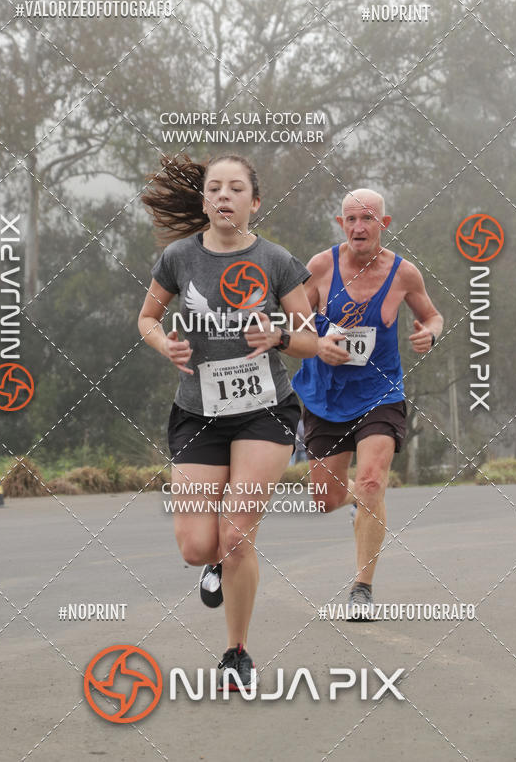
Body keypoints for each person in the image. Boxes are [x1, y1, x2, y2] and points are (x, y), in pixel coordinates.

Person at [138, 153, 317, 688]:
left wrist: (280, 338)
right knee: (198, 547)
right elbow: (147, 317)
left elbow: (312, 341)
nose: (223, 196)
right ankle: (216, 564)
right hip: (198, 413)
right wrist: (163, 343)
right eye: (214, 188)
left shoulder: (277, 260)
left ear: (253, 202)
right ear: (204, 201)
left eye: (236, 188)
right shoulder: (177, 258)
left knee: (237, 537)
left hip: (264, 411)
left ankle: (237, 651)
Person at [292, 188, 443, 619]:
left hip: (380, 393)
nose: (359, 227)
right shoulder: (320, 267)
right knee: (324, 498)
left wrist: (429, 333)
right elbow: (292, 323)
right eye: (351, 220)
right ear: (341, 225)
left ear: (385, 223)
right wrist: (318, 344)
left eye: (368, 219)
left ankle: (362, 587)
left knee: (374, 481)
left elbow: (433, 315)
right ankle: (356, 495)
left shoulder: (403, 274)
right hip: (324, 396)